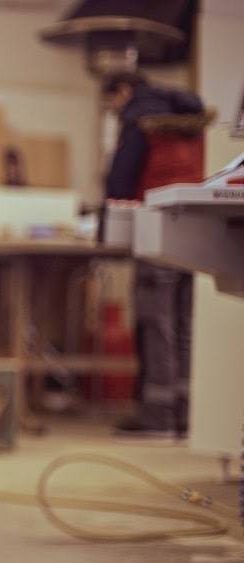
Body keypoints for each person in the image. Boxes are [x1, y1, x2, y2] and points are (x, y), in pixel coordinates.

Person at [101, 72, 205, 437]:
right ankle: (186, 416)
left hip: (154, 228)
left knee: (155, 324)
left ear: (124, 90)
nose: (112, 109)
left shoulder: (138, 118)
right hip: (196, 232)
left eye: (110, 101)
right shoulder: (191, 121)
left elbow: (121, 179)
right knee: (184, 328)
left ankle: (157, 418)